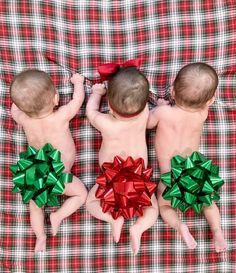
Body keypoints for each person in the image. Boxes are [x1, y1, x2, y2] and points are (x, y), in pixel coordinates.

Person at [147, 62, 227, 252]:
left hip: (171, 175)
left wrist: (158, 105)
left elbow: (148, 123)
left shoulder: (163, 113)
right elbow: (204, 104)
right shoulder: (201, 114)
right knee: (208, 202)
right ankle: (217, 231)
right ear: (209, 101)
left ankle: (180, 226)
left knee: (164, 205)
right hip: (195, 170)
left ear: (173, 92)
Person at [10, 69, 88, 252]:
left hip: (36, 174)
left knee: (35, 206)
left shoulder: (23, 118)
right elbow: (78, 100)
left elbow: (14, 110)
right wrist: (77, 83)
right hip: (60, 175)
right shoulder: (61, 115)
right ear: (55, 99)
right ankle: (58, 216)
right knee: (81, 194)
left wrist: (18, 104)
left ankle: (40, 237)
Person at [86, 65, 158, 255]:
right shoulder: (144, 115)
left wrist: (96, 93)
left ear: (109, 105)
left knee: (90, 203)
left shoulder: (104, 122)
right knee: (152, 209)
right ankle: (139, 227)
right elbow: (152, 122)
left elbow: (90, 112)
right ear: (144, 105)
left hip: (111, 182)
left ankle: (112, 219)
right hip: (138, 180)